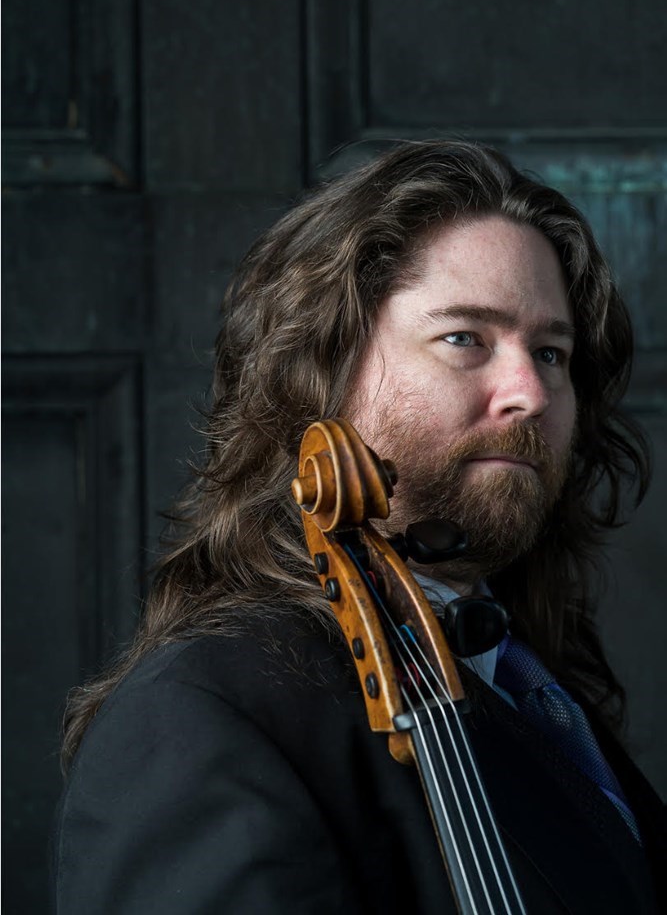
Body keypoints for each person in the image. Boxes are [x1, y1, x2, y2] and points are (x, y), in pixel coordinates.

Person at [53, 140, 666, 914]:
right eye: (464, 338)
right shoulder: (195, 716)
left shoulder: (528, 683)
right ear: (322, 373)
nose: (530, 393)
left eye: (550, 352)